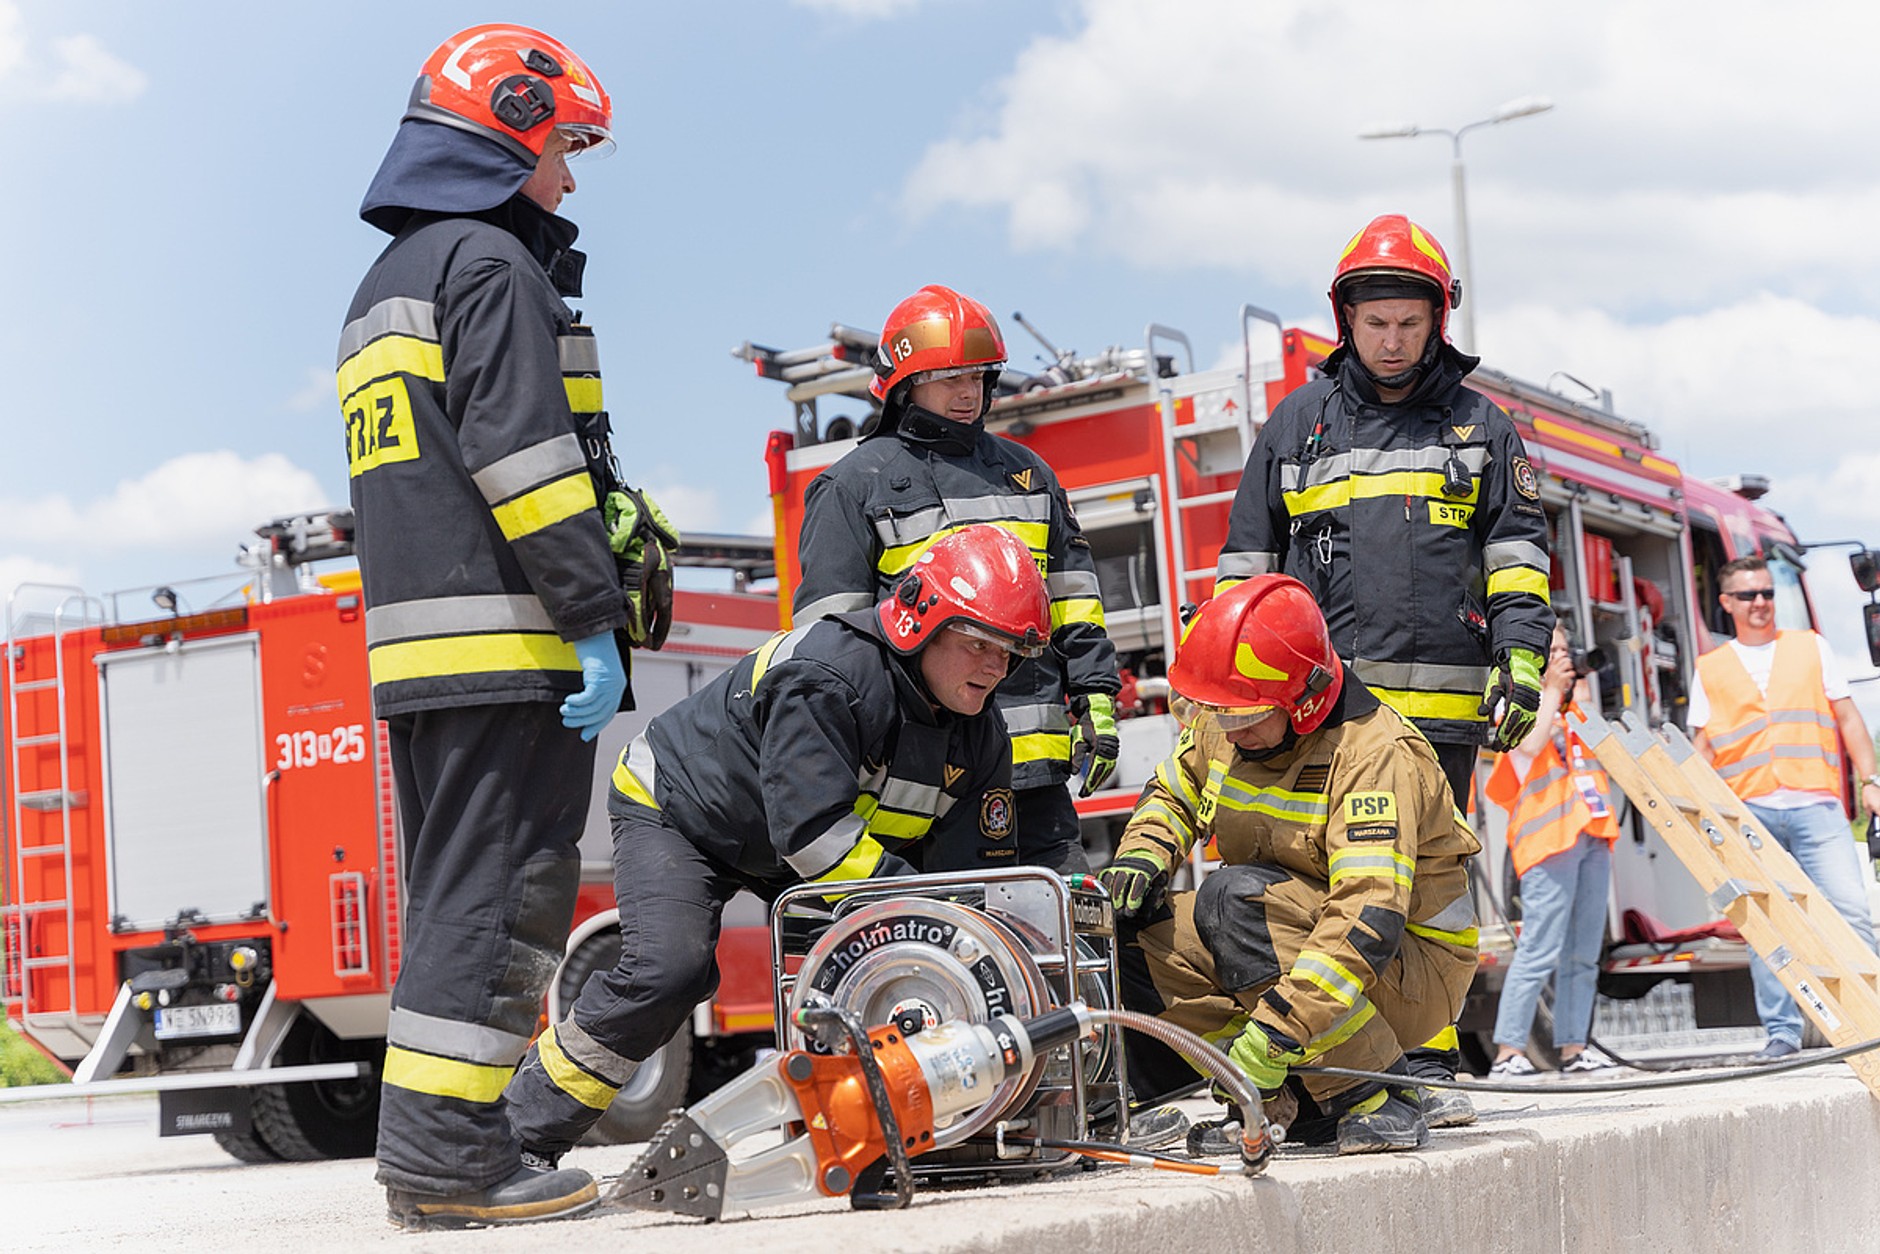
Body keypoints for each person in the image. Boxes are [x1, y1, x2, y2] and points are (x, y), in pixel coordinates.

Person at [337, 25, 634, 1228]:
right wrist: (592, 616)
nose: (568, 179)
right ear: (506, 134)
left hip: (423, 658)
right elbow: (528, 462)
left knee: (453, 904)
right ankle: (449, 1165)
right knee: (502, 900)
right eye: (563, 149)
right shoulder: (491, 266)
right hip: (509, 651)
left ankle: (438, 1150)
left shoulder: (386, 283)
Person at [503, 526, 1051, 1159]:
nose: (995, 667)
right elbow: (812, 832)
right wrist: (910, 901)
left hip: (791, 849)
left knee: (867, 979)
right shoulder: (830, 677)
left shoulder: (982, 737)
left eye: (1008, 652)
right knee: (669, 971)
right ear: (920, 621)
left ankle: (895, 1136)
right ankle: (519, 1136)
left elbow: (966, 888)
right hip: (681, 811)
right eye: (978, 643)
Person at [1212, 213, 1555, 1118]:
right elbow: (1246, 568)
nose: (1393, 340)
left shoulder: (1482, 428)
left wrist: (1521, 657)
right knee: (1334, 886)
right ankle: (1349, 1066)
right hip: (1323, 718)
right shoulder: (1298, 425)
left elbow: (1518, 559)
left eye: (1409, 322)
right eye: (1376, 324)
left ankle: (1429, 1059)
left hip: (1438, 717)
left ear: (1437, 320)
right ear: (1347, 321)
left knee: (1427, 891)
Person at [1097, 576, 1481, 1154]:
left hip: (1410, 966)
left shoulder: (1372, 755)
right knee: (1133, 926)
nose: (1233, 730)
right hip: (1294, 930)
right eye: (1221, 714)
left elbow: (1366, 917)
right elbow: (1175, 792)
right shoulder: (1233, 714)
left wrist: (1277, 1033)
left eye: (1248, 717)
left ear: (1306, 699)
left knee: (1235, 900)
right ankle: (1276, 1101)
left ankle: (1376, 1093)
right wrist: (1142, 854)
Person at [792, 284, 1121, 875]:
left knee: (1067, 920)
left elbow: (1074, 599)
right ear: (904, 385)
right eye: (949, 378)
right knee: (946, 927)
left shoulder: (1029, 475)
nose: (969, 393)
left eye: (978, 376)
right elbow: (830, 648)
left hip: (1034, 774)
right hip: (917, 782)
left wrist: (1095, 694)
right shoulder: (852, 487)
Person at [1689, 556, 1880, 1062]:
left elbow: (1848, 719)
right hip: (1750, 813)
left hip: (1816, 805)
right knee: (1765, 927)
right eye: (1748, 595)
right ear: (1727, 602)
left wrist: (1871, 781)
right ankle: (1783, 1031)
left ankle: (1873, 1017)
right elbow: (1702, 750)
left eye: (1767, 593)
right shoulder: (1711, 667)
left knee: (1850, 912)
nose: (1760, 603)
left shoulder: (1810, 647)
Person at [1484, 620, 1621, 1077]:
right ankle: (1508, 1052)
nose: (1564, 659)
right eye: (1554, 652)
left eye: (1566, 651)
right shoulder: (1518, 705)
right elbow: (1530, 745)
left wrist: (1574, 694)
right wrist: (1550, 692)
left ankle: (1573, 1048)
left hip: (1592, 832)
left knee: (1583, 952)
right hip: (1548, 842)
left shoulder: (1575, 707)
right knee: (1539, 949)